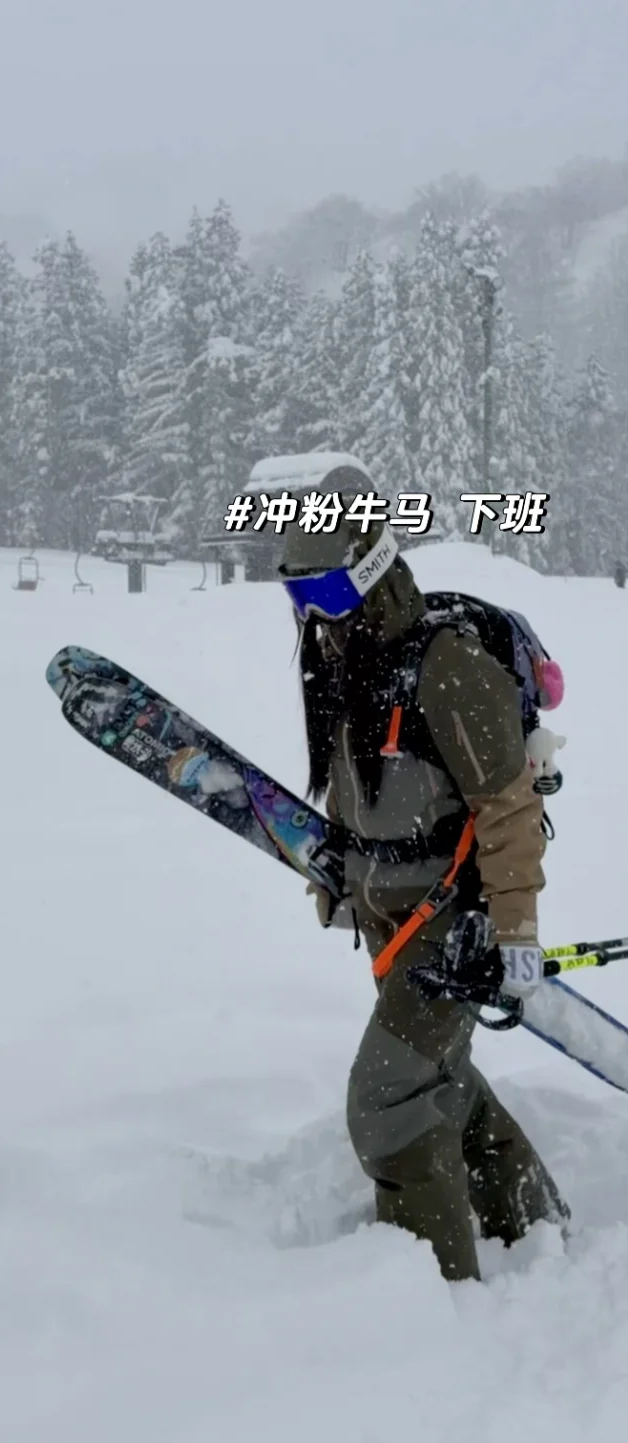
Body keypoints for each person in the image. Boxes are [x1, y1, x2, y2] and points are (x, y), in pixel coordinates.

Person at [279, 467, 568, 1283]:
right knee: (438, 1080)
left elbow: (508, 810)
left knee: (386, 1101)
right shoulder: (345, 654)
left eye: (325, 592)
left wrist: (516, 934)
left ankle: (431, 1295)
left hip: (453, 931)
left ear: (368, 569)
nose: (313, 616)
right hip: (393, 925)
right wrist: (338, 878)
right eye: (299, 596)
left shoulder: (447, 665)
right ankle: (536, 1225)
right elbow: (356, 791)